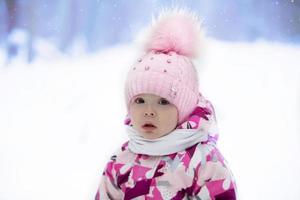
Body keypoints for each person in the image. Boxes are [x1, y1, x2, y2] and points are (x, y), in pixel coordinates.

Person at [95, 9, 237, 200]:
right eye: (140, 101)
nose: (149, 111)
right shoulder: (122, 160)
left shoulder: (202, 162)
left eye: (163, 102)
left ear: (184, 109)